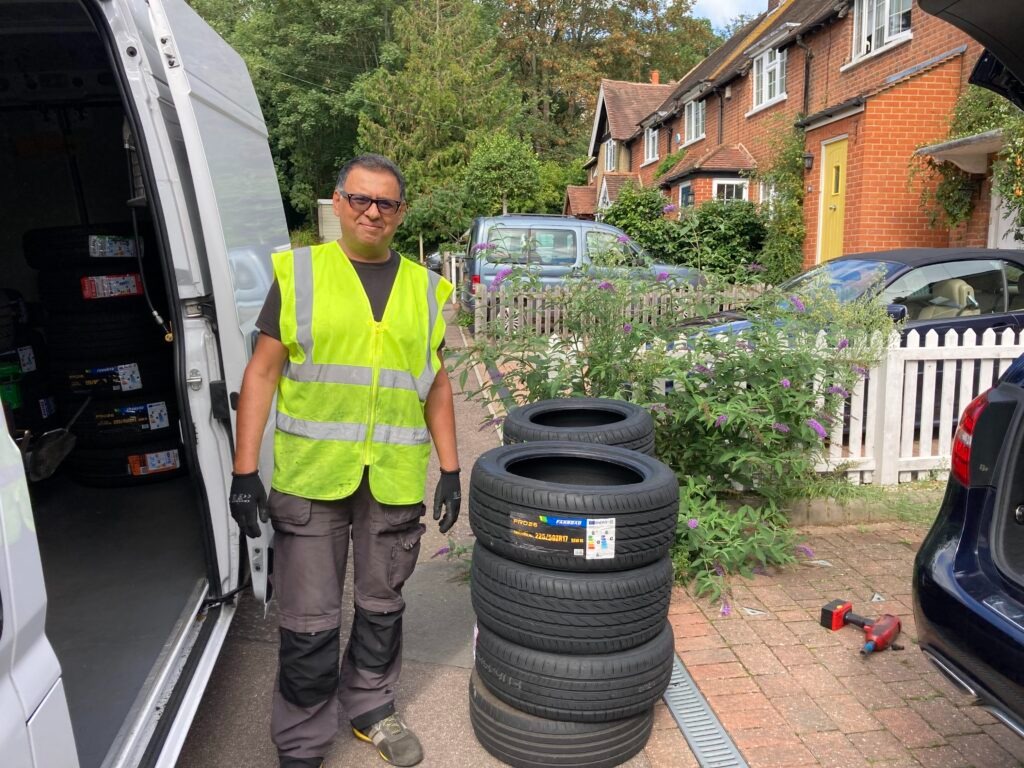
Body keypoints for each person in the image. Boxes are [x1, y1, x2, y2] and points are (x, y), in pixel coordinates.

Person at [228, 154, 461, 768]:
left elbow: (436, 383)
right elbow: (261, 374)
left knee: (383, 608)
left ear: (400, 212)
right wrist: (244, 471)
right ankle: (302, 741)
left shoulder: (425, 289)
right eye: (360, 199)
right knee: (308, 622)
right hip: (312, 479)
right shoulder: (300, 274)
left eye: (386, 202)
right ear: (338, 202)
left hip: (392, 479)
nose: (372, 212)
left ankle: (371, 709)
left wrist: (451, 467)